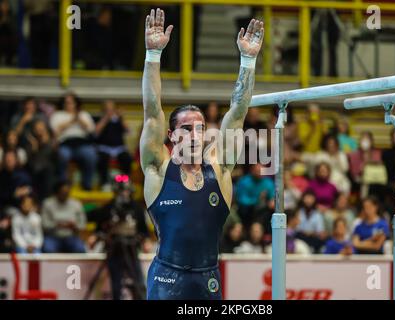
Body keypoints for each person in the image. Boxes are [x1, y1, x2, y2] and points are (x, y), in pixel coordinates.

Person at [141, 8, 264, 299]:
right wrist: (153, 56)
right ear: (171, 136)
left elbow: (238, 113)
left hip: (208, 278)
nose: (195, 135)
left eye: (200, 128)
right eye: (186, 128)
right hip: (166, 277)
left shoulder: (219, 168)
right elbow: (151, 110)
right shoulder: (158, 168)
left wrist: (248, 60)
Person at [90, 175, 149, 300]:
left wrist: (145, 241)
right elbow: (99, 229)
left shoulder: (137, 208)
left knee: (138, 281)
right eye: (121, 191)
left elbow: (143, 231)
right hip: (114, 249)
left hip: (132, 248)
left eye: (126, 190)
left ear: (131, 191)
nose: (124, 194)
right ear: (115, 191)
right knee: (116, 283)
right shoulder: (108, 208)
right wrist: (95, 237)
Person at [50, 93, 97, 190]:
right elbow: (55, 130)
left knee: (91, 155)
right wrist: (71, 121)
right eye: (66, 102)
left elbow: (92, 130)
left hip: (82, 143)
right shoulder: (58, 115)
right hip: (65, 143)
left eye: (71, 102)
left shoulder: (83, 114)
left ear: (76, 103)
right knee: (63, 156)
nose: (68, 105)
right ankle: (63, 184)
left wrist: (79, 119)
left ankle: (87, 184)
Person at [95, 100, 132, 189]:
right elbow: (96, 132)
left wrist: (121, 118)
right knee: (102, 159)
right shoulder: (99, 119)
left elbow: (128, 131)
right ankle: (104, 182)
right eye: (107, 109)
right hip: (104, 148)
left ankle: (124, 181)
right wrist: (106, 118)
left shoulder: (118, 119)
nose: (110, 111)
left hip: (118, 148)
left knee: (127, 158)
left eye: (111, 109)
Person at [41, 181, 87, 253]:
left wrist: (74, 226)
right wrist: (56, 225)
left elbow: (82, 225)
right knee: (48, 249)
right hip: (53, 236)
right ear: (57, 192)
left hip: (71, 236)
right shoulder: (47, 203)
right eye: (62, 192)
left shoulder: (76, 204)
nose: (65, 194)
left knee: (80, 249)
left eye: (67, 192)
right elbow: (44, 224)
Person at [235, 163, 275, 230]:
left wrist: (272, 201)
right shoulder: (244, 182)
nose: (260, 173)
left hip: (263, 211)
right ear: (252, 170)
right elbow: (241, 200)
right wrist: (257, 200)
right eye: (258, 171)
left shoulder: (268, 182)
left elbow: (273, 196)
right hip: (247, 211)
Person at [26, 120, 58, 200]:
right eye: (37, 128)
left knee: (48, 170)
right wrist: (34, 149)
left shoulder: (51, 142)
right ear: (34, 130)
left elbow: (56, 159)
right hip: (33, 171)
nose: (39, 129)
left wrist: (50, 146)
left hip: (48, 172)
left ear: (45, 129)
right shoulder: (31, 142)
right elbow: (29, 163)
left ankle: (46, 199)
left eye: (41, 127)